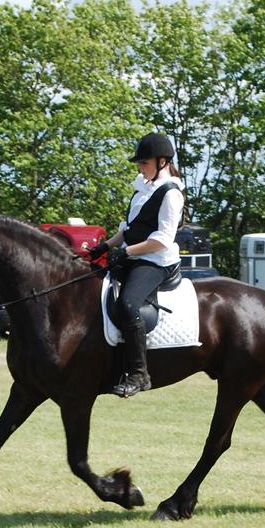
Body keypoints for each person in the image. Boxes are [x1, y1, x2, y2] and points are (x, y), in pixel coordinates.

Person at [88, 132, 185, 398]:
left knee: (128, 304)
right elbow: (128, 229)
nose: (140, 168)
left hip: (156, 261)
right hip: (132, 256)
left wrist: (127, 251)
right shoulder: (143, 189)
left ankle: (139, 374)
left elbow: (163, 240)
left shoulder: (171, 194)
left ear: (162, 162)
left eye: (144, 163)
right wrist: (104, 246)